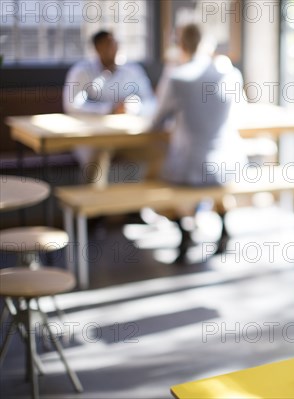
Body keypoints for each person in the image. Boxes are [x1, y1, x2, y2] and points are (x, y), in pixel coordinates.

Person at [150, 23, 247, 263]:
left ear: (180, 45)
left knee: (151, 175)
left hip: (191, 167)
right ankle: (223, 228)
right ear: (208, 45)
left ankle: (184, 230)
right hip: (228, 165)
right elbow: (240, 113)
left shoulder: (176, 78)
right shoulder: (230, 74)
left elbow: (156, 123)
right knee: (211, 173)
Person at [63, 30, 158, 180]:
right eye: (107, 45)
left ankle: (146, 201)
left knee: (160, 154)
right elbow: (72, 105)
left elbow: (151, 102)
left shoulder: (132, 71)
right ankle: (93, 202)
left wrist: (133, 107)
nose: (113, 49)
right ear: (96, 48)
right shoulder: (81, 71)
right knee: (96, 162)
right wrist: (109, 110)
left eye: (115, 44)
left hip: (129, 137)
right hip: (94, 138)